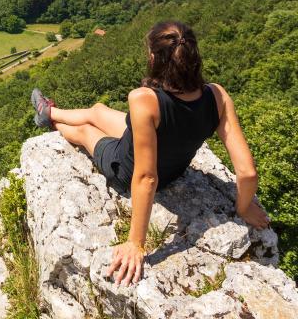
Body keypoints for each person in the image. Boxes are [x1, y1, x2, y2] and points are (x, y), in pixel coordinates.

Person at [30, 20, 270, 287]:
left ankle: (55, 124)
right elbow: (247, 172)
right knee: (98, 110)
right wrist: (244, 207)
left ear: (154, 59)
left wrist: (136, 243)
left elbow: (146, 178)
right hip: (171, 162)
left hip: (126, 167)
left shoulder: (145, 100)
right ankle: (48, 112)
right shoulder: (216, 95)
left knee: (86, 130)